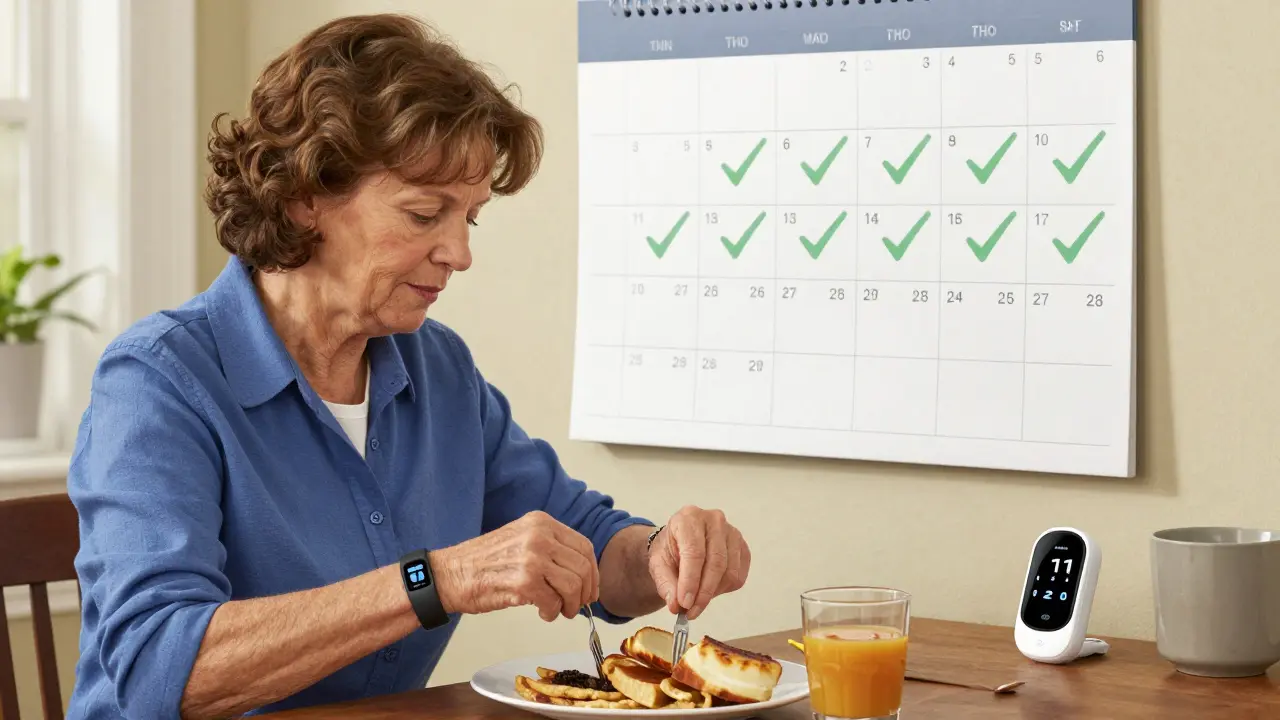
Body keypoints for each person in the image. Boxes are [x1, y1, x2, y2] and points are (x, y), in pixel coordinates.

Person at [64, 13, 752, 720]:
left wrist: (664, 551)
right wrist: (436, 579)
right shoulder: (156, 384)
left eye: (471, 217)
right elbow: (160, 668)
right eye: (426, 214)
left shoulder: (438, 369)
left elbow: (587, 546)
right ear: (307, 198)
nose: (460, 252)